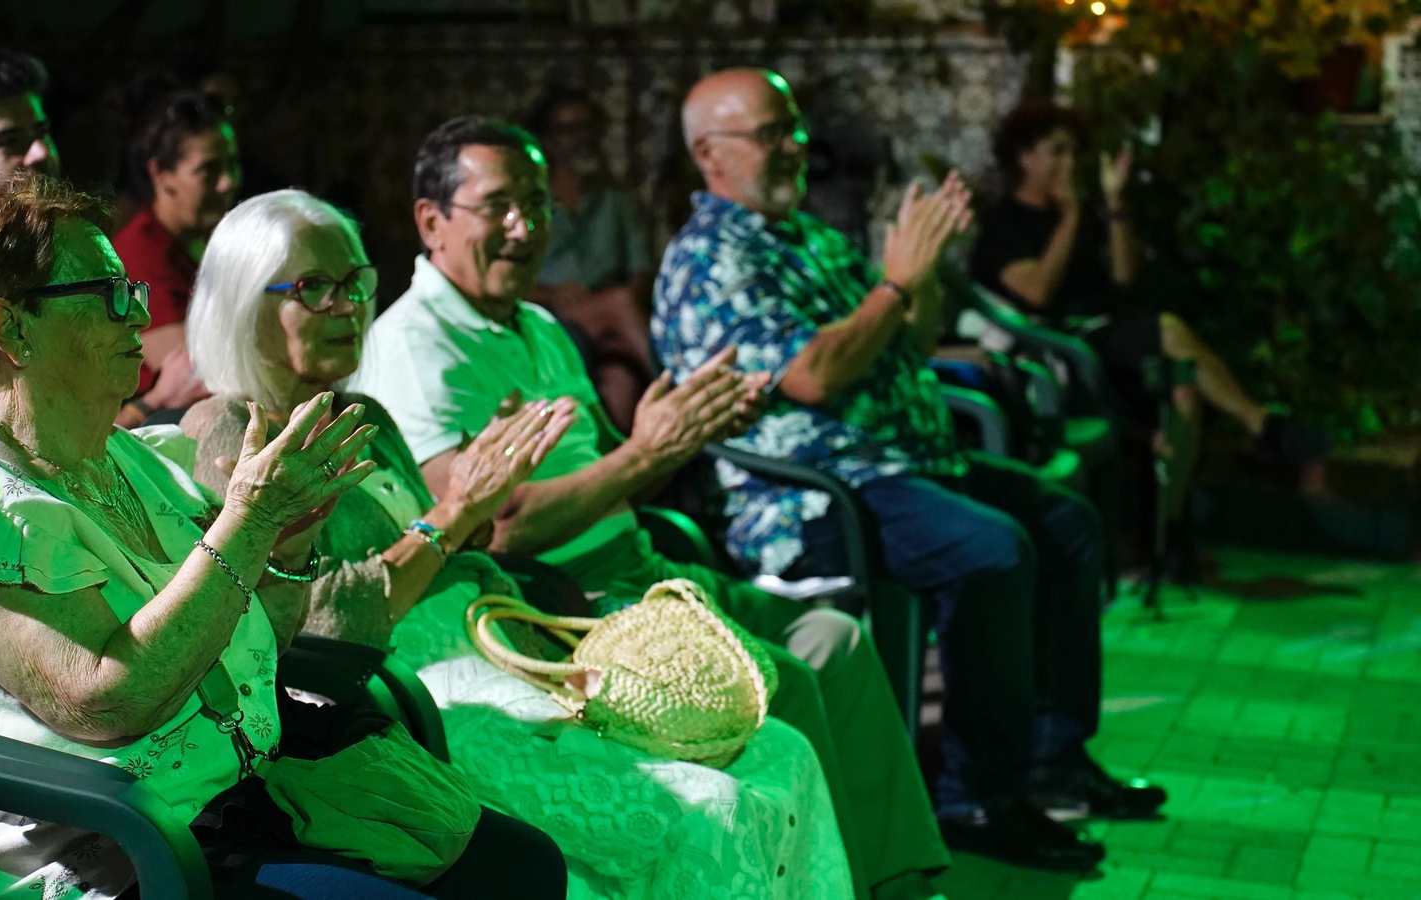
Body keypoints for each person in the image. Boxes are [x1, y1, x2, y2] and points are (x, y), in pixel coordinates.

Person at [0, 172, 567, 900]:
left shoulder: (133, 457)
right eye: (108, 295)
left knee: (526, 865)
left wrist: (287, 546)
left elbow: (260, 635)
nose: (137, 315)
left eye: (131, 289)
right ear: (9, 327)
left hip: (250, 788)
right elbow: (109, 703)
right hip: (133, 849)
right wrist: (249, 523)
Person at [181, 187, 857, 898]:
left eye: (355, 283)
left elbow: (453, 549)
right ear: (242, 300)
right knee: (708, 808)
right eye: (316, 287)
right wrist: (454, 514)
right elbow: (312, 623)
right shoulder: (232, 432)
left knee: (782, 747)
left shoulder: (365, 412)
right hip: (413, 697)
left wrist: (481, 505)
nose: (348, 306)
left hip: (499, 642)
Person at [355, 115, 950, 900]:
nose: (524, 227)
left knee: (838, 638)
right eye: (497, 206)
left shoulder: (535, 324)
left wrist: (682, 431)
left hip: (645, 566)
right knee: (787, 681)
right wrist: (646, 453)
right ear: (431, 221)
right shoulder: (413, 344)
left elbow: (617, 470)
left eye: (537, 204)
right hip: (554, 601)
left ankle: (894, 878)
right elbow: (492, 526)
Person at [653, 68, 1167, 872]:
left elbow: (911, 340)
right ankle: (975, 793)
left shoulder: (812, 239)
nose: (793, 148)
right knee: (992, 549)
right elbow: (816, 374)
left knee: (1067, 519)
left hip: (902, 462)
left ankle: (1054, 759)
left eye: (794, 130)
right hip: (816, 492)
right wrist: (894, 280)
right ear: (708, 154)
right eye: (769, 135)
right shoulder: (709, 259)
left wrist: (917, 275)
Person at [968, 103, 1329, 545]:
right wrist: (1071, 217)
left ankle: (1163, 533)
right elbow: (1038, 291)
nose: (1069, 164)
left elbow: (1123, 274)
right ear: (1024, 157)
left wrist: (1115, 204)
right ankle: (1261, 424)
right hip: (1065, 349)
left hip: (1110, 337)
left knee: (1184, 391)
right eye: (1056, 152)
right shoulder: (1004, 226)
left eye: (1073, 153)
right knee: (1170, 330)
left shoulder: (1082, 215)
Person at [0, 50, 203, 434]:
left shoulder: (34, 251)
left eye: (41, 132)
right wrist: (154, 403)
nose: (40, 153)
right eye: (11, 141)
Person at [525, 89, 656, 433]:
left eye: (588, 128)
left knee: (620, 376)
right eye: (569, 130)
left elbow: (641, 271)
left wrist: (609, 297)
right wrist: (552, 295)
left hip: (612, 320)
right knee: (619, 304)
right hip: (549, 317)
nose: (582, 139)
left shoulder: (615, 198)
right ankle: (671, 386)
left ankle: (617, 468)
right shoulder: (529, 203)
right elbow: (505, 280)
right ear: (548, 141)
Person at [112, 86, 239, 399]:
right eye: (208, 170)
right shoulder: (139, 256)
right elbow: (199, 374)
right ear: (161, 173)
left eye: (232, 164)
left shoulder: (208, 242)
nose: (228, 182)